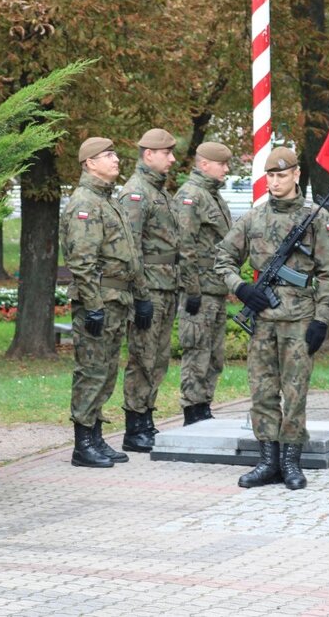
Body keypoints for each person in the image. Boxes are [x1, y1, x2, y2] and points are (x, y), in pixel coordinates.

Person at [215, 146, 329, 490]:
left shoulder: (316, 218)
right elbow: (222, 258)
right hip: (262, 320)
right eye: (270, 175)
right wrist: (241, 289)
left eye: (281, 175)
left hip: (300, 319)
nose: (274, 182)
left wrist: (322, 319)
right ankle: (268, 459)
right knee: (262, 391)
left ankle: (290, 461)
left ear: (296, 175)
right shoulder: (253, 217)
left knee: (295, 390)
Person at [60, 137, 153, 468]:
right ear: (89, 163)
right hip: (99, 300)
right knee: (91, 371)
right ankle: (83, 444)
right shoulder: (84, 204)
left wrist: (141, 296)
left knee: (106, 371)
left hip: (118, 299)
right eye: (108, 155)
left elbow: (130, 256)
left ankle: (96, 437)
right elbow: (82, 262)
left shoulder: (108, 201)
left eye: (114, 154)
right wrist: (93, 304)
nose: (116, 160)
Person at [116, 128, 179, 452]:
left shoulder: (159, 192)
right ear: (148, 155)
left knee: (158, 358)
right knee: (142, 357)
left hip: (165, 286)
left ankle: (147, 418)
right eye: (165, 152)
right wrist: (140, 295)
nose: (171, 158)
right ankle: (135, 425)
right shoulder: (136, 193)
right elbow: (131, 249)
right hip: (149, 289)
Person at [173, 142, 234, 424]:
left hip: (216, 288)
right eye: (222, 164)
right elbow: (184, 247)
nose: (227, 169)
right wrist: (192, 289)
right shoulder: (190, 196)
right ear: (205, 164)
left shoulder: (214, 197)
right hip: (200, 290)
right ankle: (192, 410)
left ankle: (205, 405)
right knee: (197, 351)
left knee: (214, 355)